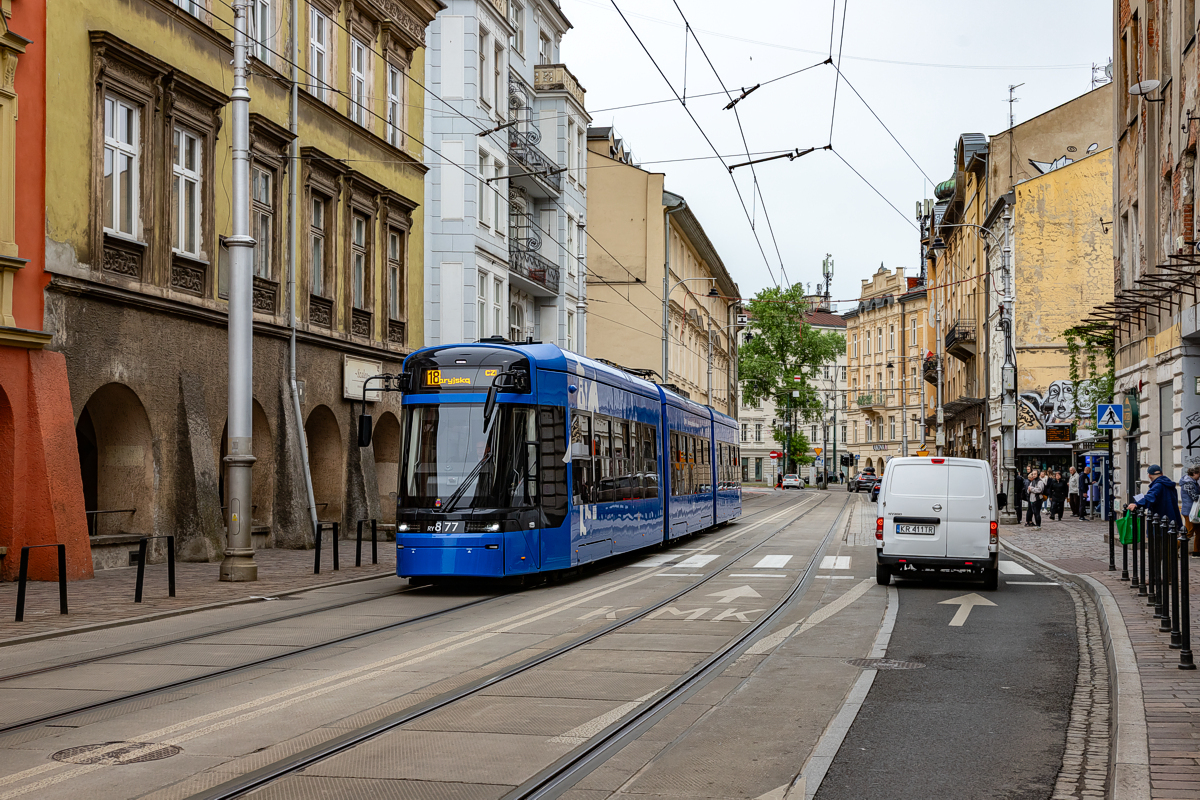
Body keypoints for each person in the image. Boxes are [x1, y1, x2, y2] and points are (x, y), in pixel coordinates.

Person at [1127, 464, 1182, 531]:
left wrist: (1137, 504)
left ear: (1149, 476)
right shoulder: (1169, 484)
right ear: (1161, 473)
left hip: (1160, 518)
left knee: (1160, 539)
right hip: (1171, 517)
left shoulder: (1158, 485)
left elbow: (1150, 497)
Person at [1181, 466, 1200, 556]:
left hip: (1194, 511)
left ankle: (1197, 551)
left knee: (1199, 531)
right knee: (1189, 532)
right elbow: (1194, 496)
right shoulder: (1188, 483)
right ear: (1194, 473)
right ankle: (1173, 547)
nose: (1199, 476)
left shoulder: (1193, 482)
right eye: (1199, 474)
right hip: (1190, 511)